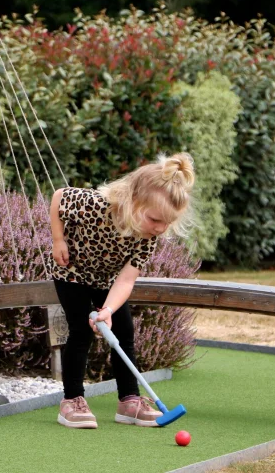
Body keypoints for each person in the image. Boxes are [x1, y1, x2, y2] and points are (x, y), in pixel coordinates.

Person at [49, 152, 195, 429]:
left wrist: (108, 310)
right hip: (71, 271)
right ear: (134, 201)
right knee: (81, 330)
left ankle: (129, 401)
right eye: (155, 219)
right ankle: (71, 401)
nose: (161, 228)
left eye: (167, 223)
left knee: (123, 332)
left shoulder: (149, 237)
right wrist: (58, 240)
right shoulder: (94, 204)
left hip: (108, 280)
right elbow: (59, 197)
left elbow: (126, 280)